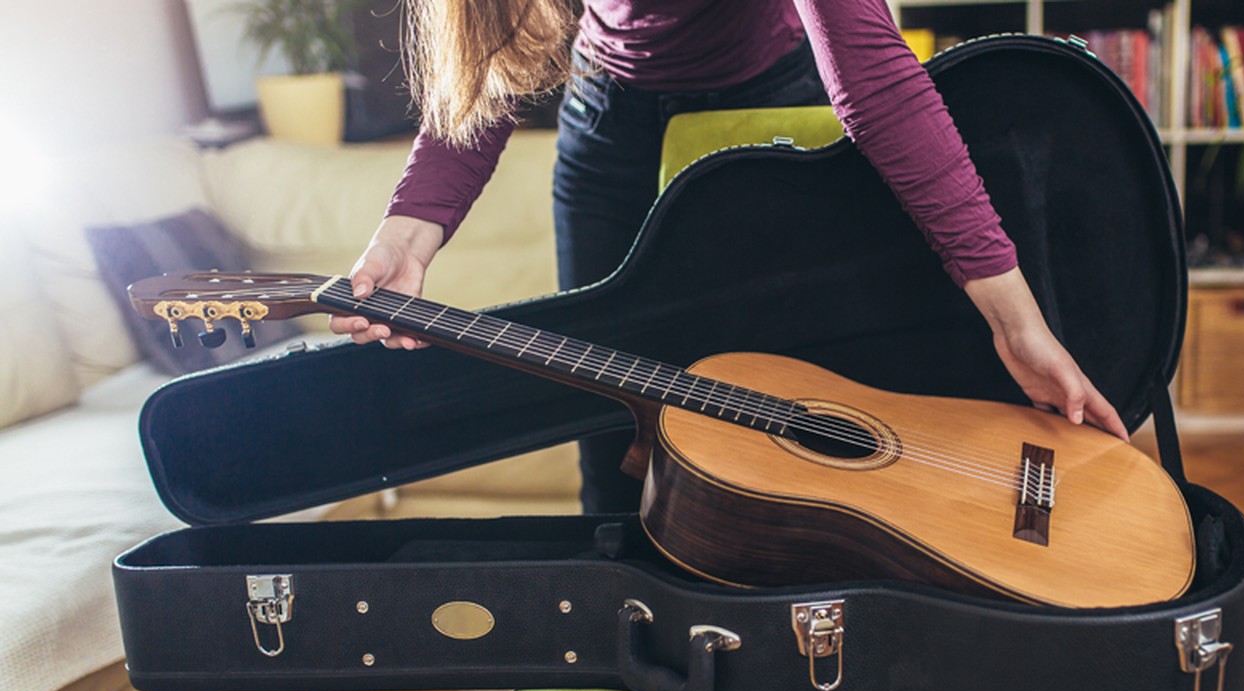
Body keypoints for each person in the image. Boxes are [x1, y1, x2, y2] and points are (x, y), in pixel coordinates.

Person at [329, 0, 1129, 513]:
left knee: (783, 428)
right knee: (611, 437)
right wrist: (407, 232)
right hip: (609, 122)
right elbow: (489, 55)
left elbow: (875, 80)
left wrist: (1017, 321)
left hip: (771, 101)